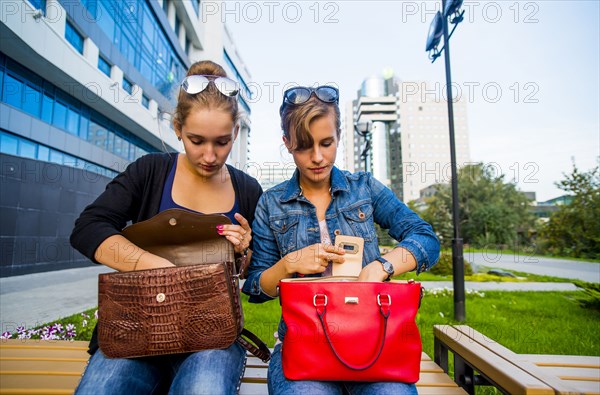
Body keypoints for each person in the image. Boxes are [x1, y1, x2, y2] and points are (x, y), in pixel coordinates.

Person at [70, 60, 262, 395]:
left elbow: (257, 278)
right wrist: (159, 268)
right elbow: (88, 227)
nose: (209, 155)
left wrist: (245, 251)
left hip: (212, 337)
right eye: (196, 140)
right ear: (176, 127)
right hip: (134, 328)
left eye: (222, 141)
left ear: (236, 133)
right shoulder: (150, 171)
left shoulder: (247, 189)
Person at [242, 85, 440, 394]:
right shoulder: (272, 203)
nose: (318, 157)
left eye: (326, 143)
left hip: (374, 341)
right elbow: (256, 286)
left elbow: (426, 239)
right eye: (304, 146)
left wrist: (380, 267)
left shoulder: (364, 188)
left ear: (339, 137)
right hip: (304, 347)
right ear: (287, 143)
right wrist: (289, 264)